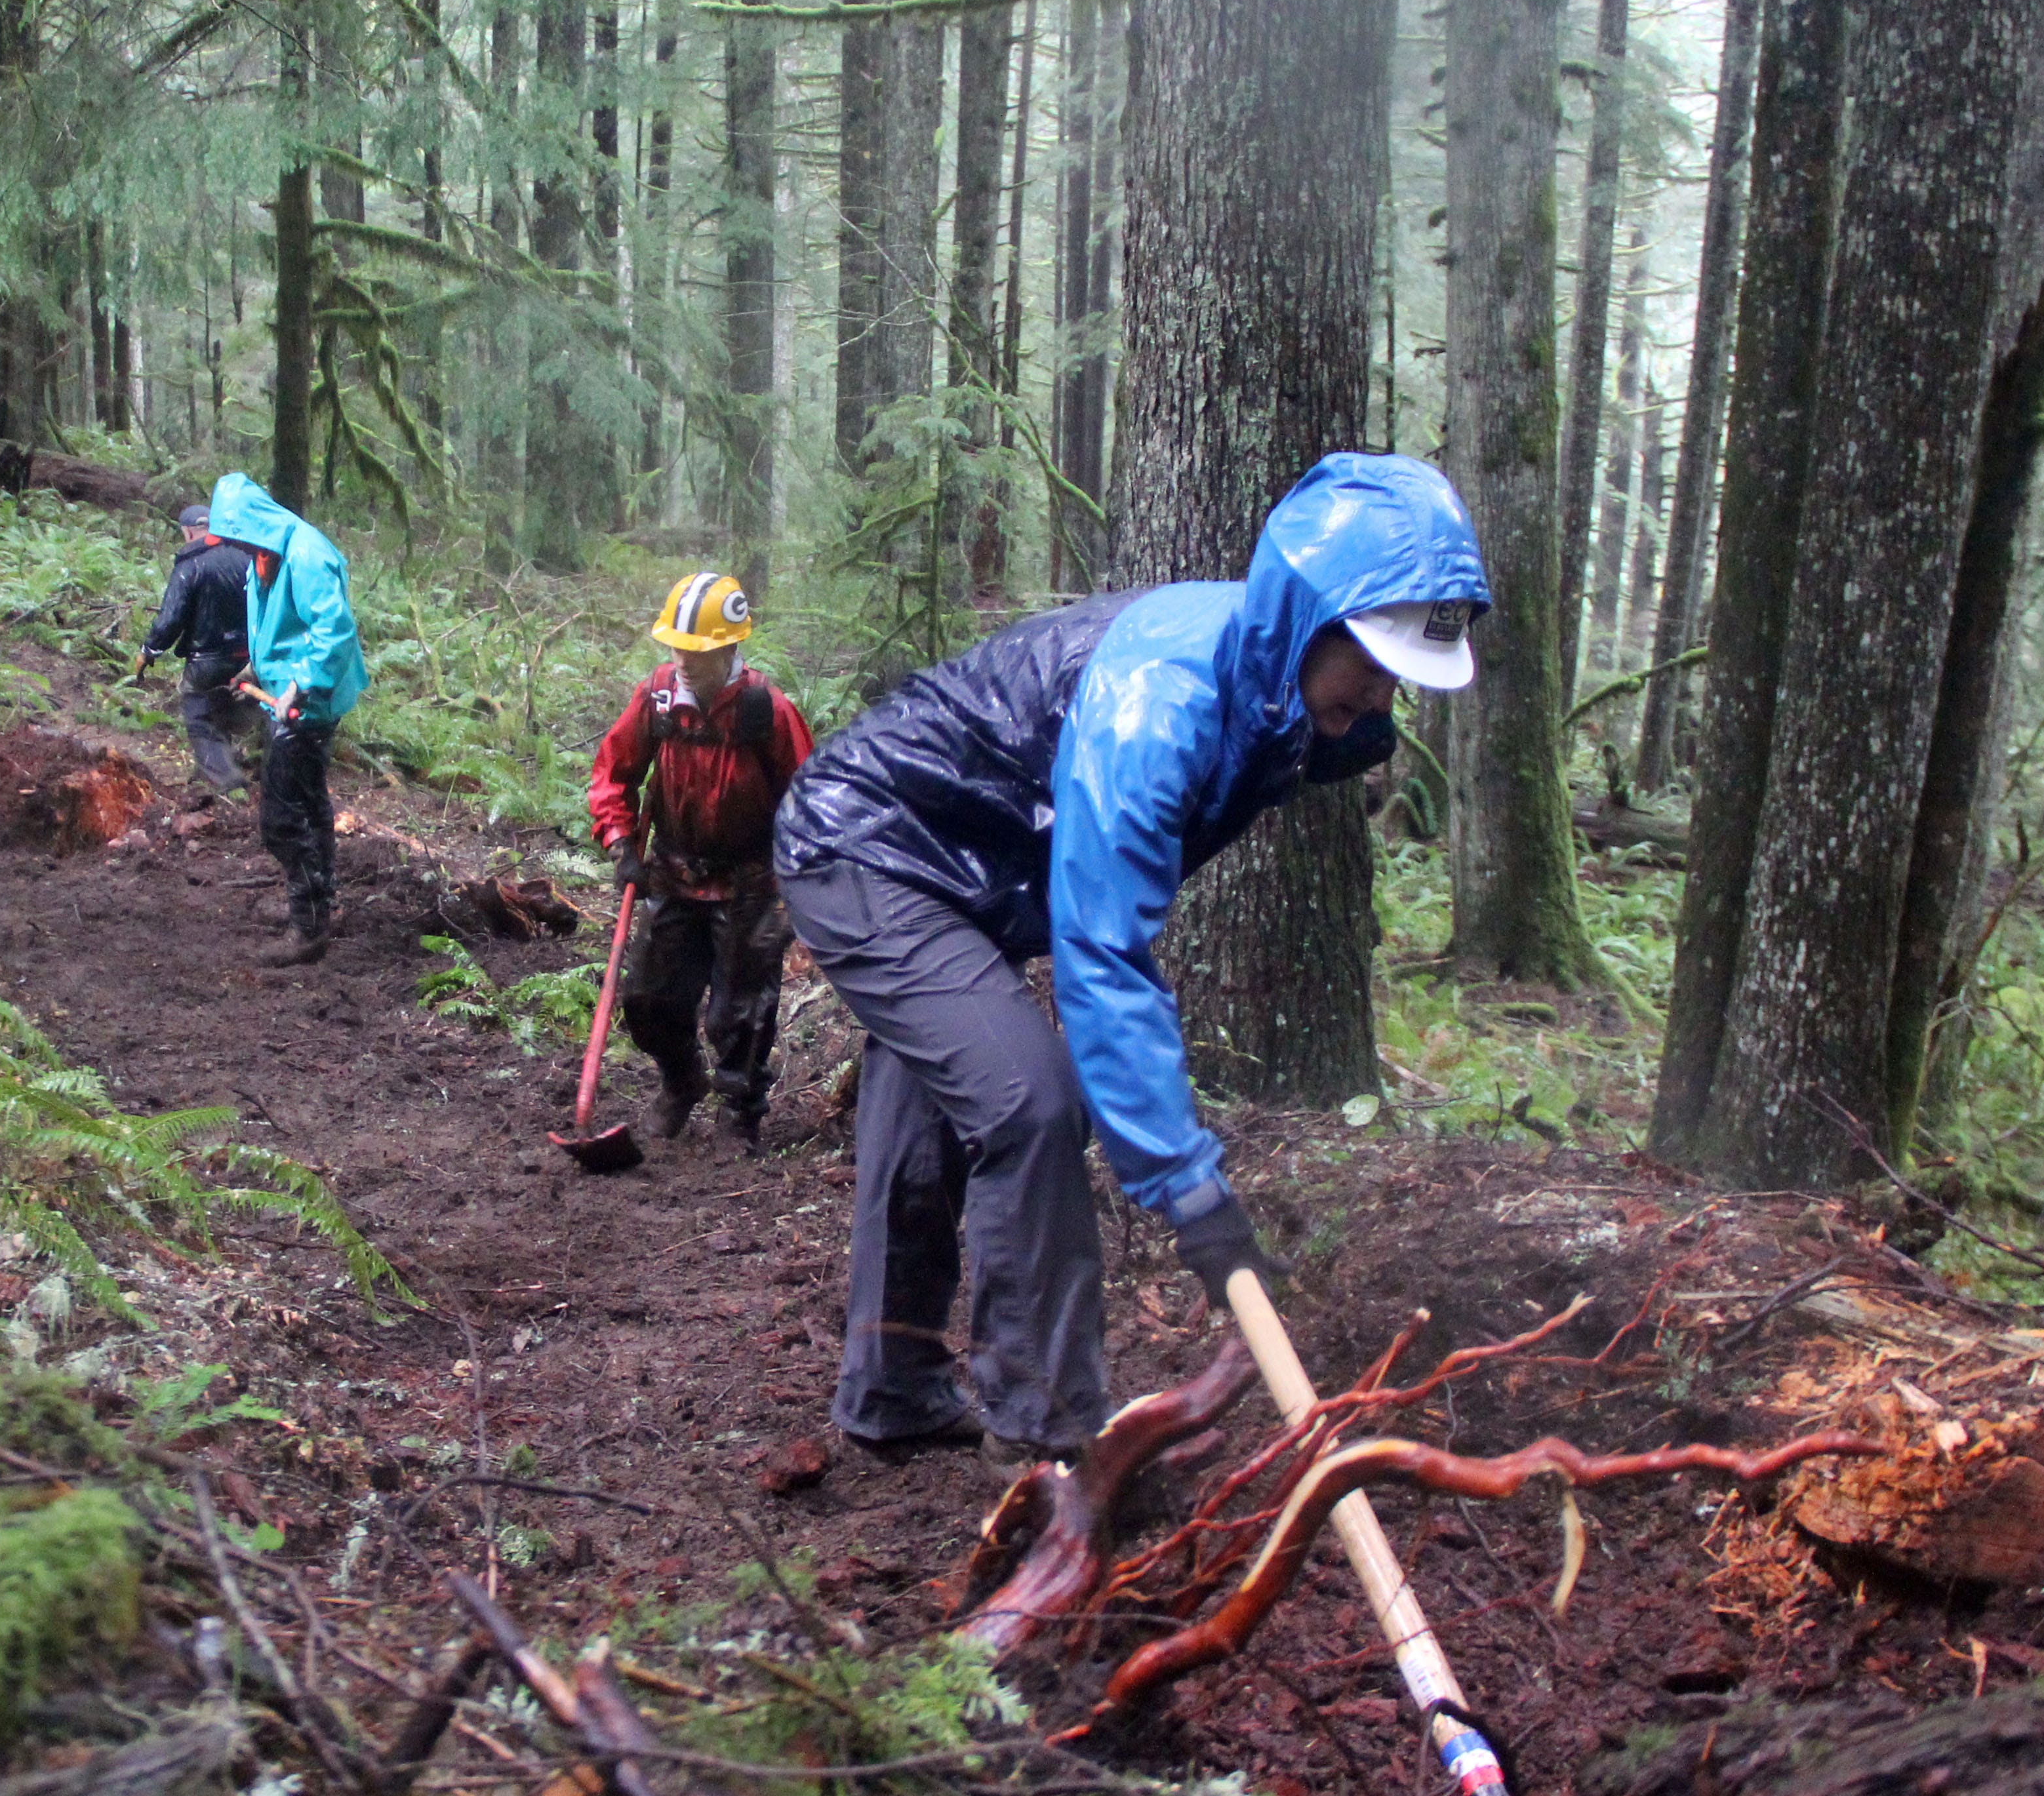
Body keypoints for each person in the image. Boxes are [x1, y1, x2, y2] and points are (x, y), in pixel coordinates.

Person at [772, 452, 1489, 1462]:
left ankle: (891, 1386)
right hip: (868, 848)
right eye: (1369, 665)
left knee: (941, 1104)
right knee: (1030, 1101)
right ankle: (1056, 1441)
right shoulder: (1160, 706)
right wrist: (1190, 1189)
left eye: (1399, 678)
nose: (1379, 699)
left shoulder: (1270, 682)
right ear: (1305, 618)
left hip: (968, 866)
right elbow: (1103, 953)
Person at [588, 573, 816, 1155]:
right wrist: (620, 841)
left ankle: (739, 1111)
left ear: (729, 649)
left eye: (700, 652)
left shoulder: (767, 709)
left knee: (740, 1012)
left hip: (751, 881)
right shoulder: (657, 698)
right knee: (647, 1000)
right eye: (678, 649)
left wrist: (803, 877)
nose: (686, 661)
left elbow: (811, 795)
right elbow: (613, 772)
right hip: (673, 872)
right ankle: (681, 1080)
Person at [201, 473, 368, 967]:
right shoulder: (265, 556)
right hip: (285, 692)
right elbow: (277, 626)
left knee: (280, 817)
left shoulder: (307, 554)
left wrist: (301, 683)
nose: (233, 547)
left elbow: (333, 629)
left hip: (308, 703)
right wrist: (257, 666)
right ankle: (321, 903)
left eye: (236, 537)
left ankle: (308, 926)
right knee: (312, 804)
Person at [137, 503, 258, 793]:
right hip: (251, 658)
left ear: (188, 532)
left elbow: (171, 618)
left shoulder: (191, 564)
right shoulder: (248, 558)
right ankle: (238, 767)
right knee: (230, 710)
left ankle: (227, 784)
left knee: (200, 717)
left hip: (207, 660)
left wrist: (149, 651)